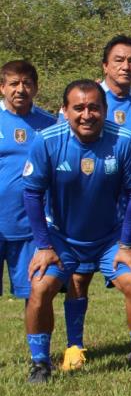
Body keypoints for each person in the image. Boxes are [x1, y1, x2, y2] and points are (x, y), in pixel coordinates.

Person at [23, 80, 131, 383]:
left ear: (104, 110)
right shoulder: (47, 140)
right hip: (61, 239)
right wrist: (44, 246)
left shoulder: (124, 140)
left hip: (109, 238)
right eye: (79, 108)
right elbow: (32, 195)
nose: (87, 114)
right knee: (40, 288)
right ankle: (40, 363)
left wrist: (126, 244)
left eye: (94, 107)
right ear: (64, 111)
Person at [60, 35, 131, 371]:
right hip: (88, 208)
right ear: (105, 64)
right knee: (78, 277)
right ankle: (74, 347)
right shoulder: (86, 98)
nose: (126, 66)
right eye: (118, 60)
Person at [0, 61, 56, 304]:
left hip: (31, 226)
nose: (20, 89)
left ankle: (35, 343)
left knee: (35, 294)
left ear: (36, 88)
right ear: (2, 87)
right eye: (13, 84)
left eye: (26, 83)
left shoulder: (49, 125)